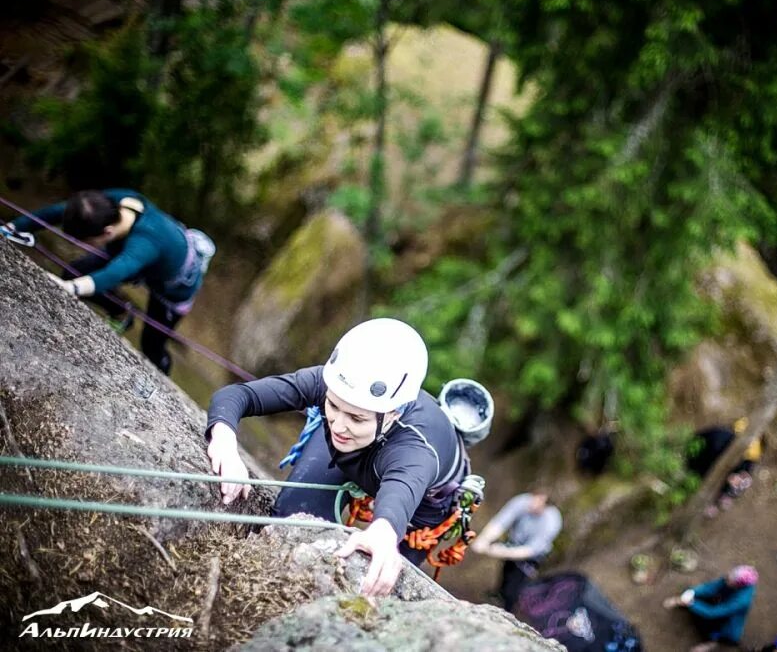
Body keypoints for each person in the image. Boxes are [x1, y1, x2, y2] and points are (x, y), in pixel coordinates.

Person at [204, 318, 469, 597]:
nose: (338, 424)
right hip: (354, 452)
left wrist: (384, 531)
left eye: (356, 416)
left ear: (394, 413)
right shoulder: (337, 387)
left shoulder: (415, 450)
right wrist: (224, 442)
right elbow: (237, 396)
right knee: (290, 520)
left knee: (377, 584)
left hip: (424, 502)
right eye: (332, 405)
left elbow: (402, 489)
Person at [5, 189, 213, 374]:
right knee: (75, 272)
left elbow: (114, 273)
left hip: (173, 289)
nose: (81, 245)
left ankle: (163, 380)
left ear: (107, 232)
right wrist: (11, 228)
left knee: (152, 347)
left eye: (86, 242)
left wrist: (69, 288)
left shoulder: (145, 243)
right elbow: (59, 211)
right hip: (138, 257)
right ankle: (121, 313)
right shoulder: (112, 203)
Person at [470, 490, 562, 611]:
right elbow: (500, 522)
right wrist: (483, 540)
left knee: (514, 586)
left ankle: (508, 610)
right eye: (534, 499)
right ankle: (497, 596)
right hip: (514, 542)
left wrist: (498, 551)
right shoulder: (522, 501)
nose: (533, 504)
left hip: (531, 556)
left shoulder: (551, 521)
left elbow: (530, 550)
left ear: (546, 507)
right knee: (506, 574)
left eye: (539, 503)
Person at [663, 565, 759, 652]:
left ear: (738, 585)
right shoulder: (732, 578)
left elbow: (713, 613)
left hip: (729, 619)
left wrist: (692, 604)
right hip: (724, 601)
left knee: (723, 632)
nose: (727, 576)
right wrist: (693, 592)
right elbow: (711, 587)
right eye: (731, 573)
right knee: (708, 600)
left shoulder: (741, 601)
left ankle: (712, 644)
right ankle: (681, 601)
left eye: (730, 580)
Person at [686, 418, 763, 517]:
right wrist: (729, 476)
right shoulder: (719, 442)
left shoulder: (750, 451)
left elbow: (748, 465)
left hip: (713, 460)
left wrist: (738, 476)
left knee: (738, 480)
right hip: (703, 461)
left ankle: (723, 495)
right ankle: (715, 498)